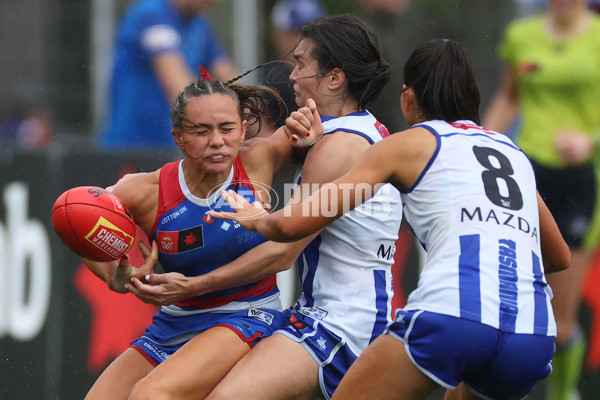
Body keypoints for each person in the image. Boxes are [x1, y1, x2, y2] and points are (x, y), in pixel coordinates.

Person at [211, 39, 572, 400]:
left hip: (451, 319)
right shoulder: (513, 155)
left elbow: (294, 225)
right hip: (532, 334)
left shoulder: (408, 144)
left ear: (408, 97)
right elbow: (559, 257)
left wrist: (257, 216)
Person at [197, 14, 402, 400]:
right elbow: (254, 156)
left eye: (302, 63)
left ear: (335, 78)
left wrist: (195, 286)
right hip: (328, 315)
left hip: (341, 326)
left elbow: (282, 253)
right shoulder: (344, 130)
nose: (292, 75)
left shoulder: (338, 147)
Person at [83, 78, 304, 400]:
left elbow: (337, 131)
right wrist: (115, 278)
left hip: (247, 313)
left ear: (243, 131)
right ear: (179, 138)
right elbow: (77, 218)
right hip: (174, 322)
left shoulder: (259, 158)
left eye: (227, 129)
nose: (217, 141)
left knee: (150, 395)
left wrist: (311, 128)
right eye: (201, 131)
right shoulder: (144, 191)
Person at [483, 1, 600, 398]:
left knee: (560, 322)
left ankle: (564, 392)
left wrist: (591, 140)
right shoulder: (523, 36)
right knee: (514, 307)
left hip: (585, 180)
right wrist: (475, 143)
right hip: (528, 176)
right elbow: (509, 97)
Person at [96, 0, 237, 151]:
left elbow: (229, 76)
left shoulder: (199, 24)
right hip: (128, 150)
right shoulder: (152, 14)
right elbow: (179, 88)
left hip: (167, 149)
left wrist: (255, 114)